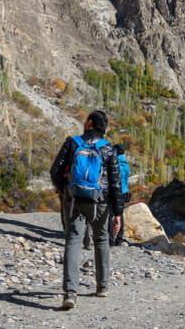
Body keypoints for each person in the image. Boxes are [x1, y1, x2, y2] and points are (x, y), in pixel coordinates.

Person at [49, 110, 123, 310]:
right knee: (101, 239)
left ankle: (70, 293)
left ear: (89, 123)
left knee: (73, 240)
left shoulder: (72, 143)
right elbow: (115, 183)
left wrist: (64, 190)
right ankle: (102, 286)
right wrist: (118, 213)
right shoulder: (108, 149)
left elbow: (56, 170)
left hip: (74, 199)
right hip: (100, 202)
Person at [108, 144, 131, 246]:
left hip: (114, 192)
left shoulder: (114, 163)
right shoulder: (126, 164)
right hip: (124, 192)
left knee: (109, 214)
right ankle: (119, 238)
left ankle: (110, 238)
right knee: (119, 214)